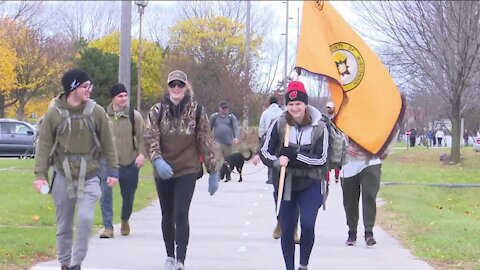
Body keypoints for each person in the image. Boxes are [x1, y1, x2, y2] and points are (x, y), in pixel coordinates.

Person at [33, 68, 118, 270]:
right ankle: (65, 263)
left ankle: (75, 263)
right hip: (62, 175)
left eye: (90, 86)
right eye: (85, 86)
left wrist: (113, 170)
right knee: (64, 225)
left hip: (90, 175)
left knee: (86, 219)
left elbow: (108, 143)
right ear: (73, 89)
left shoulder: (95, 111)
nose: (89, 90)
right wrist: (40, 175)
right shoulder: (54, 113)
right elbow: (44, 145)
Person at [144, 70, 219, 270]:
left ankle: (181, 260)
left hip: (187, 168)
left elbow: (205, 140)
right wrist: (157, 160)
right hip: (164, 169)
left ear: (186, 87)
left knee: (180, 212)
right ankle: (169, 255)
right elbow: (150, 137)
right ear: (168, 88)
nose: (176, 88)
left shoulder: (197, 110)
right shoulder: (157, 110)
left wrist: (213, 170)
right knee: (167, 213)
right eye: (172, 85)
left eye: (180, 85)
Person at [260, 81, 327, 270]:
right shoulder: (279, 123)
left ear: (305, 104)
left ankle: (303, 264)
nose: (295, 108)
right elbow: (264, 152)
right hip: (286, 183)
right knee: (287, 229)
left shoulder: (319, 126)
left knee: (307, 225)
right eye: (291, 104)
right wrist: (276, 161)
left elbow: (322, 159)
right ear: (286, 105)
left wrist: (297, 156)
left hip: (311, 182)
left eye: (298, 103)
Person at [99, 83, 146, 239]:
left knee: (128, 196)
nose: (124, 99)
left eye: (125, 95)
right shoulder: (103, 116)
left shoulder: (134, 116)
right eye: (120, 96)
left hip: (129, 162)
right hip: (108, 163)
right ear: (113, 98)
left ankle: (125, 219)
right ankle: (108, 227)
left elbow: (142, 138)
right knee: (105, 194)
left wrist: (141, 155)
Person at [252, 95, 298, 242]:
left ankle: (294, 229)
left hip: (296, 168)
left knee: (294, 198)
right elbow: (267, 141)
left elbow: (261, 132)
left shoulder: (303, 122)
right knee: (279, 195)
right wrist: (270, 158)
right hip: (278, 165)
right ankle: (280, 220)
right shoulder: (279, 120)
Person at [341, 130, 397, 247]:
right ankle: (352, 231)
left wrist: (385, 150)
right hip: (350, 161)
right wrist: (345, 146)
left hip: (372, 159)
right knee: (349, 199)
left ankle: (369, 232)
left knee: (369, 195)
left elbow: (392, 128)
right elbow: (336, 127)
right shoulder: (346, 112)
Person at [209, 100, 240, 169]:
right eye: (223, 108)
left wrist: (236, 137)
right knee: (217, 159)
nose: (225, 110)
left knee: (228, 160)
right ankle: (218, 173)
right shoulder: (214, 117)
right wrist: (208, 138)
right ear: (219, 108)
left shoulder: (231, 117)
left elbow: (236, 127)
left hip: (228, 142)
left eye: (226, 108)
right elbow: (209, 128)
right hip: (217, 142)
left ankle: (227, 173)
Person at [326, 101, 341, 183]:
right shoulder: (325, 118)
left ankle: (336, 176)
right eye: (327, 108)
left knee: (336, 159)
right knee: (327, 160)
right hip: (327, 140)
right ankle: (327, 179)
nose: (328, 109)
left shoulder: (337, 118)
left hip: (335, 141)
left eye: (330, 108)